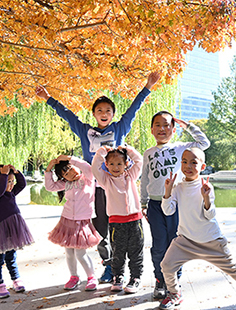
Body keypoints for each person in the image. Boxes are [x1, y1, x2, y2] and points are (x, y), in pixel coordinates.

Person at [35, 72, 160, 284]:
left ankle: (130, 270)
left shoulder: (119, 128)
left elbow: (133, 110)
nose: (104, 113)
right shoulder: (86, 131)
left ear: (112, 114)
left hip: (117, 185)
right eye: (100, 110)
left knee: (121, 227)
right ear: (94, 113)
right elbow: (68, 115)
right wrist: (48, 98)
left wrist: (147, 87)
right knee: (100, 228)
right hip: (93, 187)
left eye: (108, 111)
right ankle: (110, 266)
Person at [159, 148, 236, 310]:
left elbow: (210, 215)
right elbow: (168, 211)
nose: (188, 166)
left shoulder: (206, 187)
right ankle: (174, 293)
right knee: (167, 265)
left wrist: (206, 198)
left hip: (211, 240)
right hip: (185, 240)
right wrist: (168, 192)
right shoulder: (177, 187)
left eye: (193, 162)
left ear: (202, 166)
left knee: (233, 268)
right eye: (184, 161)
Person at [140, 111, 210, 300]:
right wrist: (143, 203)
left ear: (173, 128)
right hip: (155, 205)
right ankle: (160, 280)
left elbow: (204, 143)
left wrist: (187, 126)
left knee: (175, 244)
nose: (162, 129)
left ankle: (174, 281)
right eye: (158, 125)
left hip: (176, 204)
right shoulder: (148, 153)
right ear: (152, 129)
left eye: (167, 125)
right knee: (158, 245)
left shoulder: (181, 148)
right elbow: (145, 178)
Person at [44, 155, 102, 291]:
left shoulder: (87, 178)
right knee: (69, 252)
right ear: (64, 178)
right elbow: (50, 186)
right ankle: (74, 277)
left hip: (82, 221)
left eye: (70, 169)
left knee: (80, 253)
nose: (70, 173)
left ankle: (91, 277)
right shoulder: (66, 184)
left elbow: (87, 167)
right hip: (67, 220)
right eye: (65, 173)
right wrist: (48, 169)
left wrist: (70, 158)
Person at [92, 145, 144, 294]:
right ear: (106, 165)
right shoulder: (106, 180)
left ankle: (135, 277)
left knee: (136, 251)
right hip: (116, 222)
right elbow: (95, 168)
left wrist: (129, 150)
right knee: (117, 252)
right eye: (112, 164)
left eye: (120, 164)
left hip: (135, 220)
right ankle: (118, 276)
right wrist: (102, 152)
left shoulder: (130, 176)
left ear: (126, 164)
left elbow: (139, 161)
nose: (116, 167)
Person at [0, 164, 34, 299]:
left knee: (11, 256)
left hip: (14, 227)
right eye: (8, 181)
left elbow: (22, 184)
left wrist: (16, 172)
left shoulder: (11, 193)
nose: (12, 184)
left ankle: (16, 278)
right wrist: (3, 175)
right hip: (0, 229)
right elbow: (0, 189)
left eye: (12, 181)